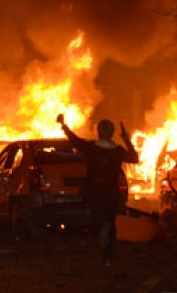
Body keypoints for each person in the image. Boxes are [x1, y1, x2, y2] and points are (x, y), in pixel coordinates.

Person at [57, 114, 139, 266]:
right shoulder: (118, 151)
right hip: (112, 191)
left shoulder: (92, 148)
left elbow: (75, 141)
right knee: (111, 220)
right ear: (112, 133)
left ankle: (102, 238)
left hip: (94, 190)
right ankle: (108, 257)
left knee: (97, 220)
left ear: (99, 132)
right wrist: (126, 138)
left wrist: (64, 125)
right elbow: (134, 158)